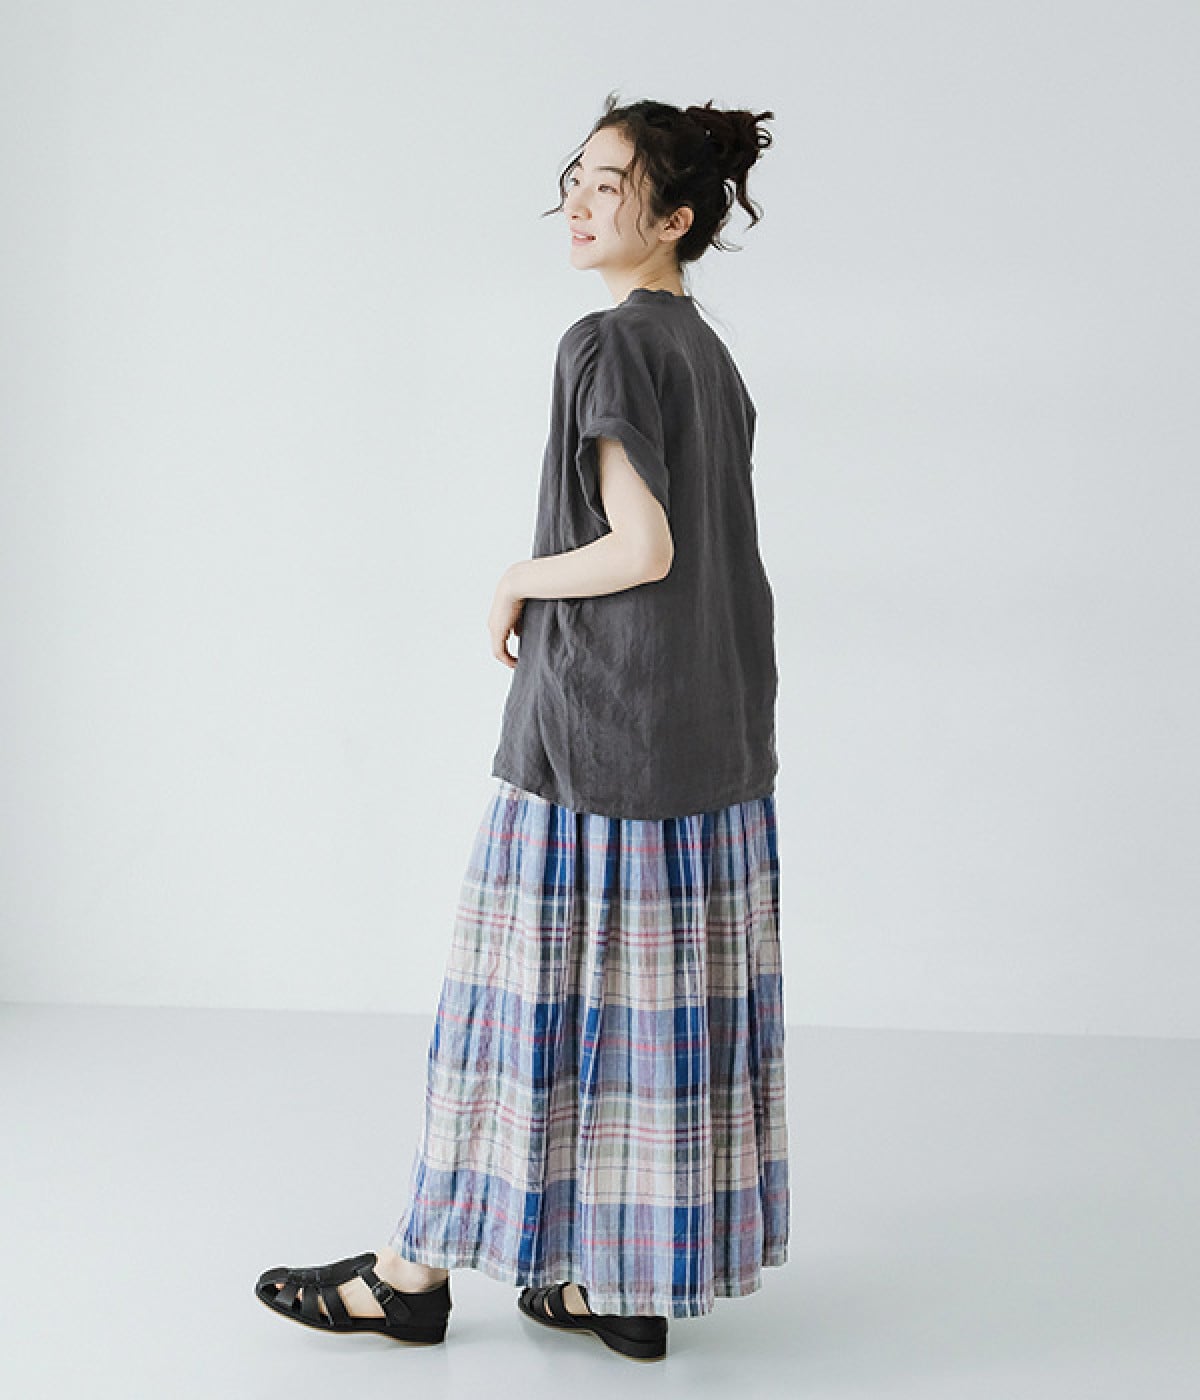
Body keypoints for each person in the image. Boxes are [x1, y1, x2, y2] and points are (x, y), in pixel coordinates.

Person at [255, 92, 788, 1363]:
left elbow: (641, 547)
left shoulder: (607, 343)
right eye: (578, 177)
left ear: (674, 218)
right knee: (656, 1026)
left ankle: (411, 1275)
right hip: (708, 735)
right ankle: (619, 1282)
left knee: (511, 1014)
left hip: (599, 732)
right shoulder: (709, 356)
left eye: (611, 184)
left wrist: (515, 576)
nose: (579, 202)